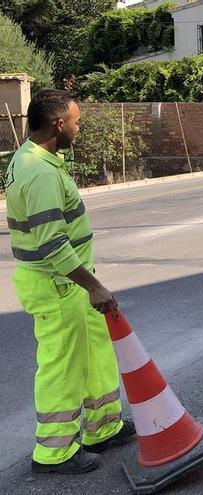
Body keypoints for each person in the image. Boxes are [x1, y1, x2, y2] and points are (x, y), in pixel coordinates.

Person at [5, 90, 135, 475]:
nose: (79, 128)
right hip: (57, 284)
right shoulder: (40, 172)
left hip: (70, 282)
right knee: (63, 365)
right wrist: (93, 286)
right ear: (59, 124)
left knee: (95, 351)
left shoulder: (35, 157)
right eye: (76, 122)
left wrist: (88, 284)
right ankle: (54, 452)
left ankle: (102, 427)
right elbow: (52, 243)